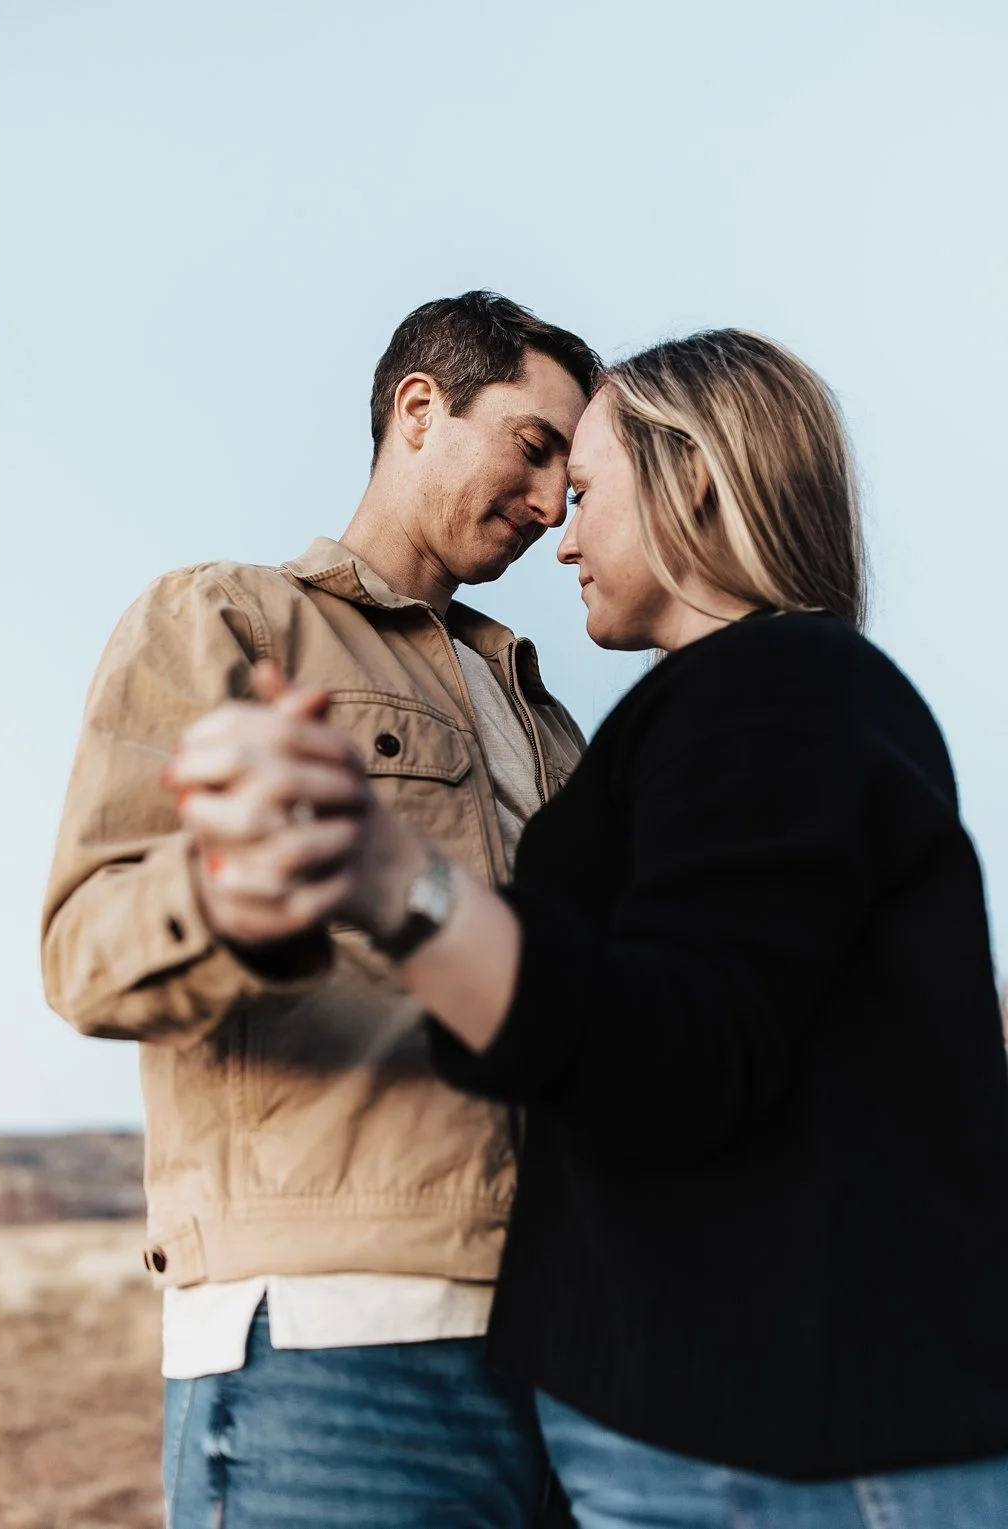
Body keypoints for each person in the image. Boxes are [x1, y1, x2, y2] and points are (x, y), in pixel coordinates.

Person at [174, 330, 1008, 1526]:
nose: (558, 538)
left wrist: (397, 880)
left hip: (771, 1457)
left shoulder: (770, 687)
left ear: (694, 478)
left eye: (583, 493)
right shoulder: (776, 699)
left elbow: (678, 1045)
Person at [41, 292, 597, 1526]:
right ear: (418, 407)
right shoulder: (226, 619)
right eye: (531, 446)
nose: (550, 502)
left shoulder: (546, 718)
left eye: (569, 476)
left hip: (570, 1357)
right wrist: (233, 895)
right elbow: (84, 946)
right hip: (325, 1342)